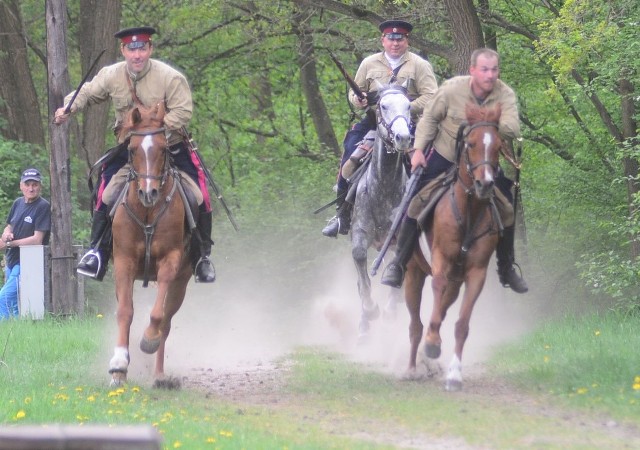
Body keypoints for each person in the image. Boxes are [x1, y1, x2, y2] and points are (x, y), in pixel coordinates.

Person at [54, 26, 216, 283]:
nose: (137, 54)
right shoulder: (111, 75)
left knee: (200, 196)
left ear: (150, 49)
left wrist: (154, 131)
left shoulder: (170, 78)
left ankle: (201, 257)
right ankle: (97, 252)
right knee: (105, 194)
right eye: (132, 48)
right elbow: (87, 92)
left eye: (142, 48)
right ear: (124, 50)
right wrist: (69, 107)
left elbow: (183, 111)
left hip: (170, 145)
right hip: (130, 149)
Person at [380, 48, 528, 294]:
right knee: (415, 199)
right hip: (445, 154)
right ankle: (398, 263)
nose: (489, 75)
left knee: (507, 204)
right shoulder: (450, 89)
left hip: (481, 161)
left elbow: (512, 127)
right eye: (484, 69)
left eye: (494, 70)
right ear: (472, 70)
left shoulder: (505, 93)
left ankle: (506, 267)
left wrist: (484, 124)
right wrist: (418, 151)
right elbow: (428, 119)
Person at [322, 19, 438, 237]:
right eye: (391, 38)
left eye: (400, 38)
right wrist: (359, 101)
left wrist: (403, 109)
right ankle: (342, 216)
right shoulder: (368, 63)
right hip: (374, 122)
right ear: (383, 40)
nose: (395, 43)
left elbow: (432, 95)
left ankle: (434, 214)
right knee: (349, 154)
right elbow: (354, 94)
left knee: (434, 161)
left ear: (407, 41)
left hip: (410, 123)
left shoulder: (420, 65)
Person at [0, 168, 51, 320]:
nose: (31, 188)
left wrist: (10, 244)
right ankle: (14, 333)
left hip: (27, 262)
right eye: (27, 184)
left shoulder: (43, 206)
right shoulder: (17, 203)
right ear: (21, 186)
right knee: (14, 305)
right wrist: (5, 235)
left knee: (3, 297)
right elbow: (9, 225)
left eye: (34, 184)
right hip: (12, 260)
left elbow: (37, 239)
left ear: (40, 186)